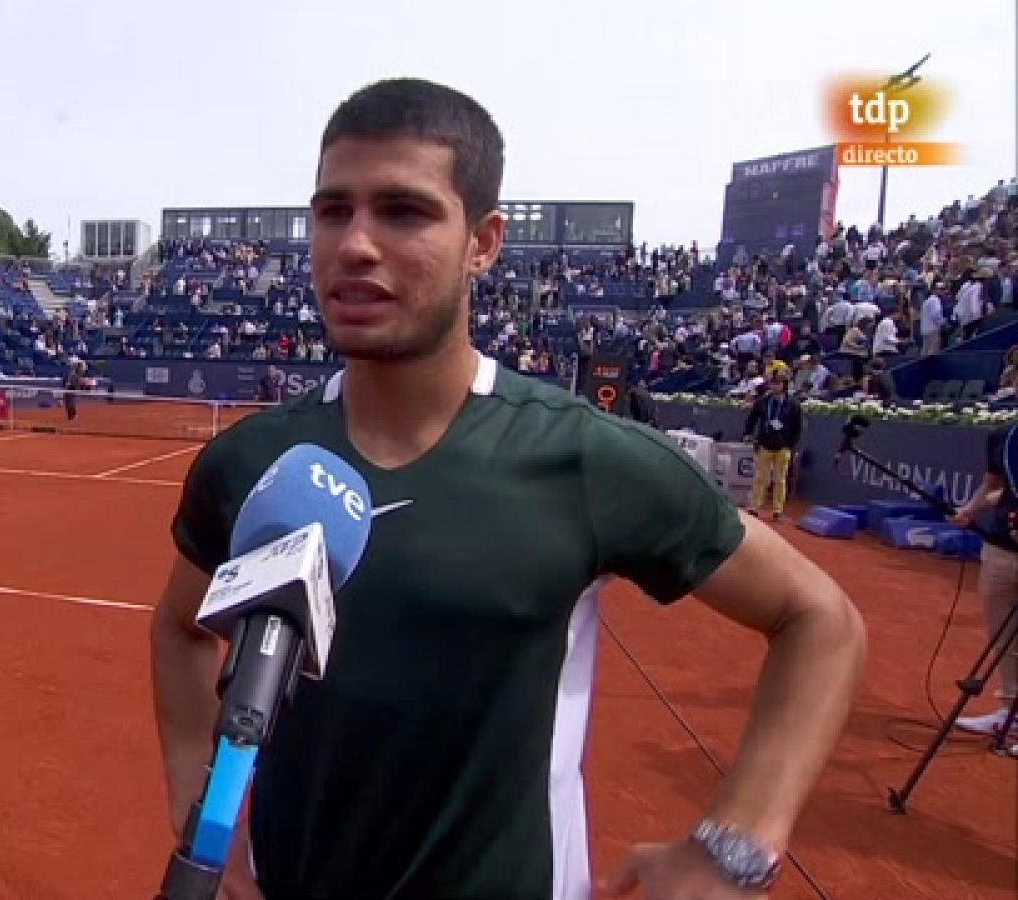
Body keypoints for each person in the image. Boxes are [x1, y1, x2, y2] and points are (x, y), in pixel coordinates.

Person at [149, 78, 867, 900]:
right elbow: (179, 628)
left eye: (403, 212)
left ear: (483, 243)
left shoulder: (586, 459)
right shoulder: (248, 463)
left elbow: (821, 620)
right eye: (332, 210)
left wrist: (736, 846)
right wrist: (202, 810)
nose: (354, 244)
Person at [950, 420, 1018, 735]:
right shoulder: (1002, 435)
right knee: (1003, 638)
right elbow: (993, 485)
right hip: (1000, 549)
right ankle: (1011, 711)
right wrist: (971, 509)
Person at [742, 368, 803, 521]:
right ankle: (755, 506)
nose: (774, 387)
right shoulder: (763, 401)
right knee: (760, 478)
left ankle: (778, 510)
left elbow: (798, 426)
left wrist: (791, 445)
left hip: (783, 446)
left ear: (784, 385)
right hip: (764, 444)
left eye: (778, 384)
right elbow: (752, 419)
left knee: (780, 479)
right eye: (772, 384)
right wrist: (748, 433)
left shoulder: (793, 404)